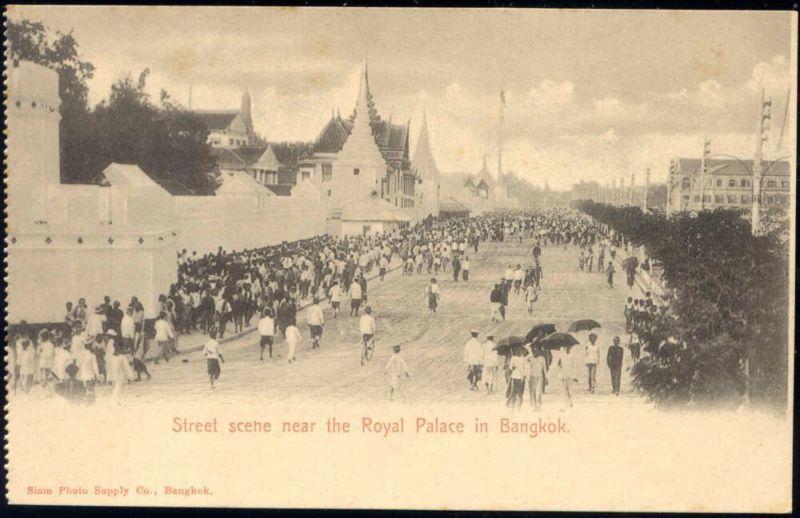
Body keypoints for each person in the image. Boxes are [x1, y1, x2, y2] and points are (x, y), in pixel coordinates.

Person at [529, 345, 548, 411]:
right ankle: (534, 406)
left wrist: (546, 378)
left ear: (539, 351)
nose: (535, 352)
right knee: (532, 392)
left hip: (540, 377)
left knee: (539, 392)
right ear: (532, 351)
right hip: (532, 376)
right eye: (534, 350)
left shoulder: (542, 359)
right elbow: (526, 366)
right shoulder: (530, 358)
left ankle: (539, 405)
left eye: (536, 350)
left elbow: (544, 369)